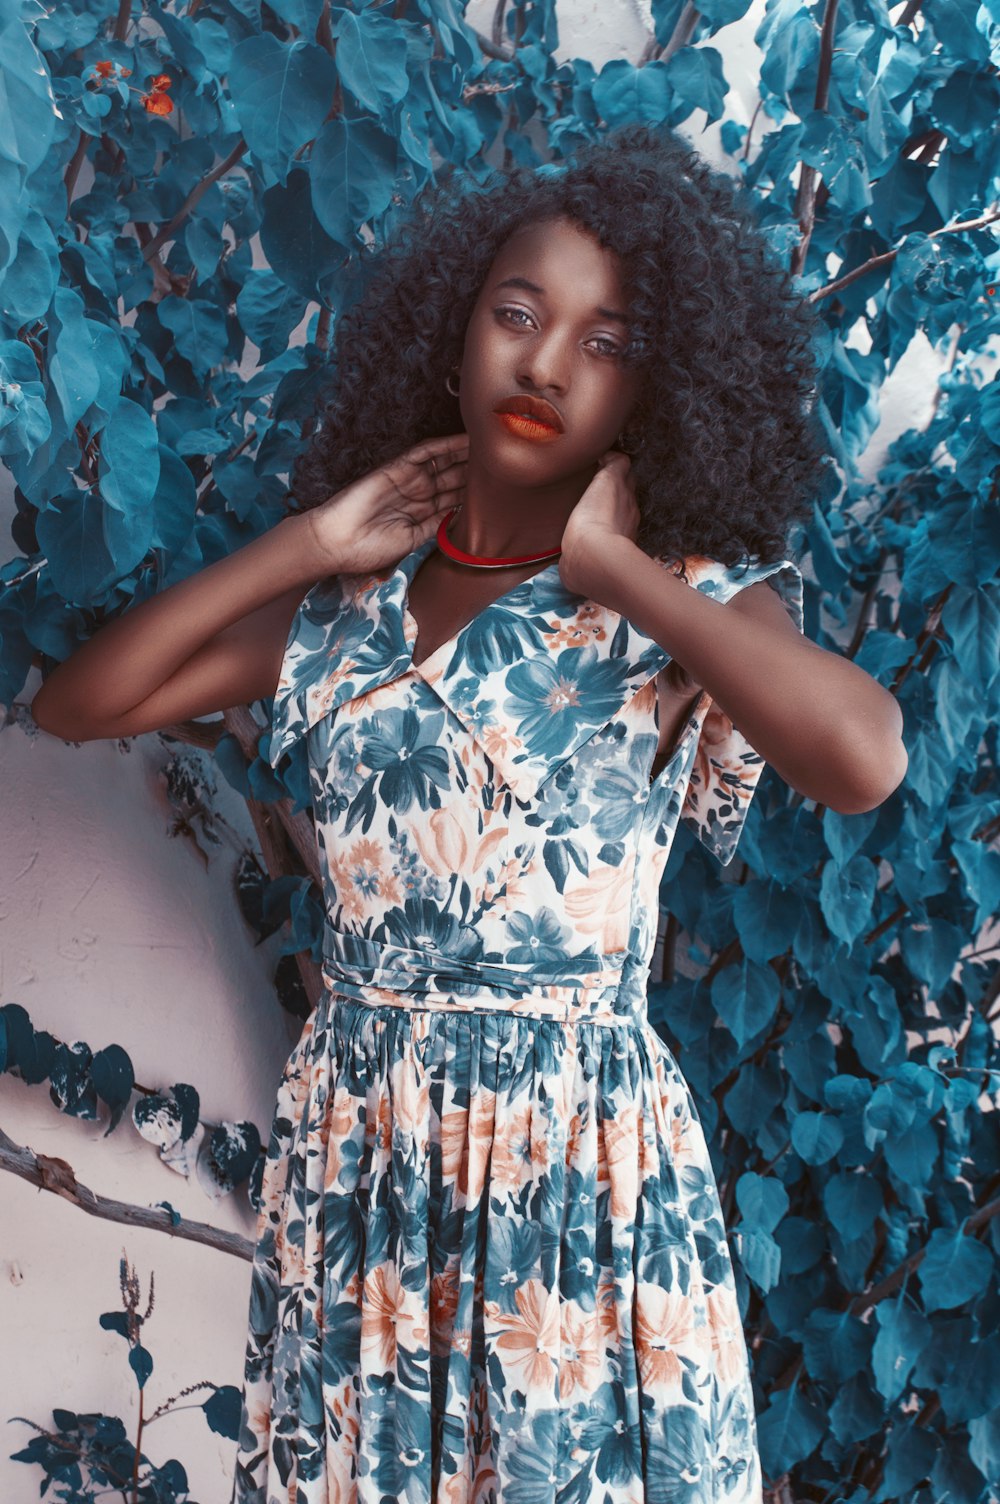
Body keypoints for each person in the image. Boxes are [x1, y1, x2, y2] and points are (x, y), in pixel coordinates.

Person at [31, 123, 907, 1503]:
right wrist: (313, 541)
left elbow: (865, 757)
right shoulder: (342, 623)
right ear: (455, 337)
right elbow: (81, 703)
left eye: (606, 342)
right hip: (363, 1163)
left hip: (578, 1172)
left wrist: (616, 570)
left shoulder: (686, 606)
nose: (547, 362)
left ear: (651, 393)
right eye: (517, 313)